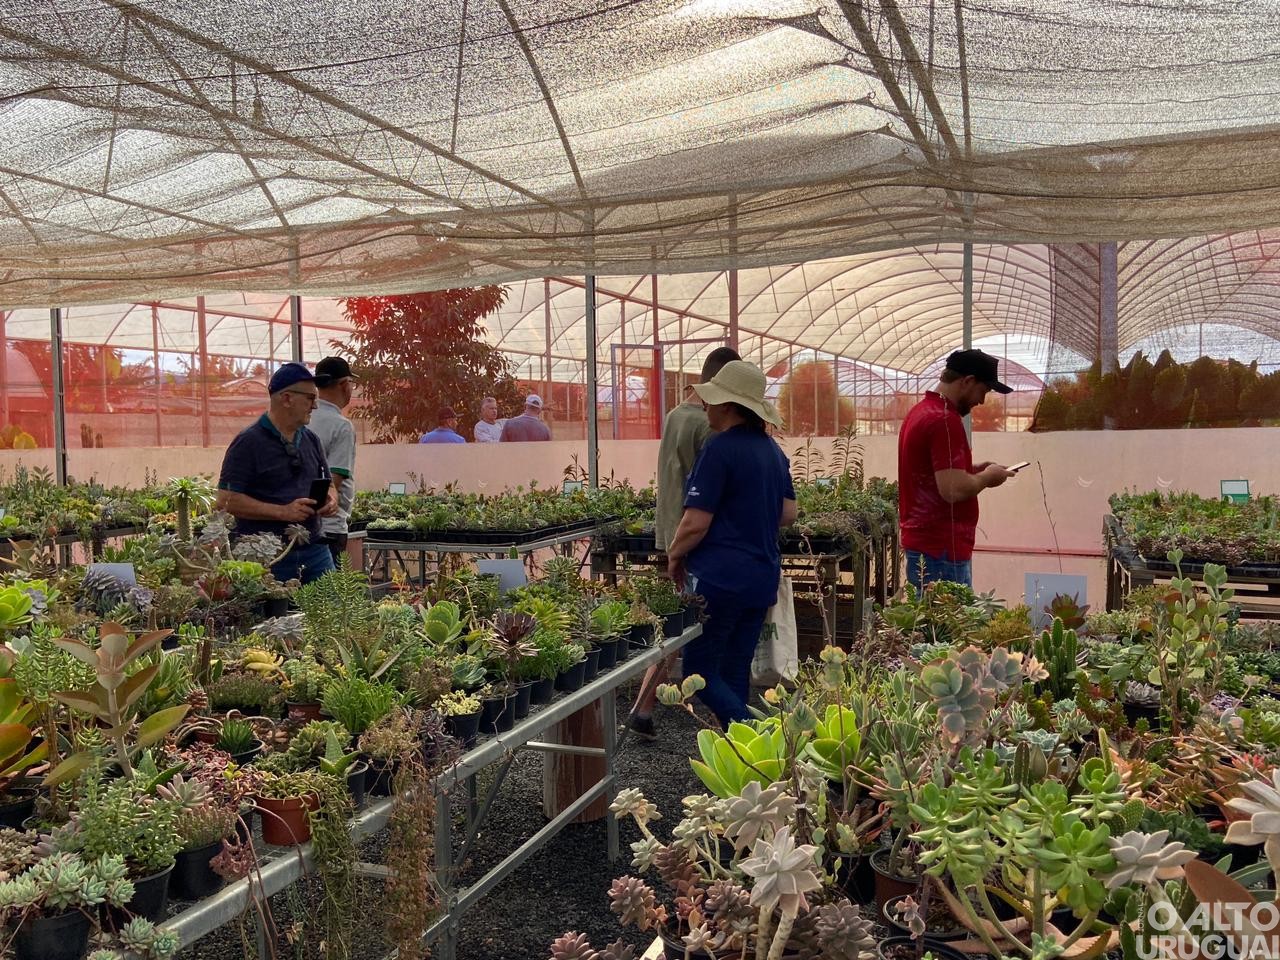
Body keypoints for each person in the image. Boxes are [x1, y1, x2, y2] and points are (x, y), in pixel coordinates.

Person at [666, 360, 797, 728]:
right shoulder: (772, 451)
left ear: (726, 406)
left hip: (720, 578)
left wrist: (674, 556)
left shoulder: (719, 449)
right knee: (735, 666)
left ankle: (755, 731)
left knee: (698, 672)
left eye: (711, 400)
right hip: (760, 577)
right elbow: (789, 512)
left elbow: (695, 522)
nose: (705, 405)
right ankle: (741, 748)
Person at [628, 346, 740, 740]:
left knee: (677, 623)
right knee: (691, 628)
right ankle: (655, 707)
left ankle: (643, 708)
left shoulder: (676, 414)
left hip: (671, 529)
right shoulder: (708, 427)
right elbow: (713, 491)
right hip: (696, 536)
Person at [897, 348, 1017, 589]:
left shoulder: (922, 411)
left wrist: (970, 469)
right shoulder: (944, 419)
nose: (981, 401)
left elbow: (929, 473)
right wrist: (988, 477)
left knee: (930, 611)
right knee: (946, 614)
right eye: (984, 390)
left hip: (928, 546)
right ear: (968, 381)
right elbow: (953, 490)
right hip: (940, 549)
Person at [216, 362, 339, 586]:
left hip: (315, 550)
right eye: (310, 398)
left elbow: (330, 484)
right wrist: (282, 512)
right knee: (276, 610)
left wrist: (330, 500)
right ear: (287, 398)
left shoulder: (311, 440)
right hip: (269, 558)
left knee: (335, 604)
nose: (315, 406)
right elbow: (225, 500)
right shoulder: (248, 442)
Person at [309, 357, 358, 568]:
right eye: (352, 384)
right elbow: (334, 481)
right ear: (344, 384)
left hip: (302, 523)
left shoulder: (304, 418)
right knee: (330, 585)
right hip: (330, 526)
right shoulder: (341, 426)